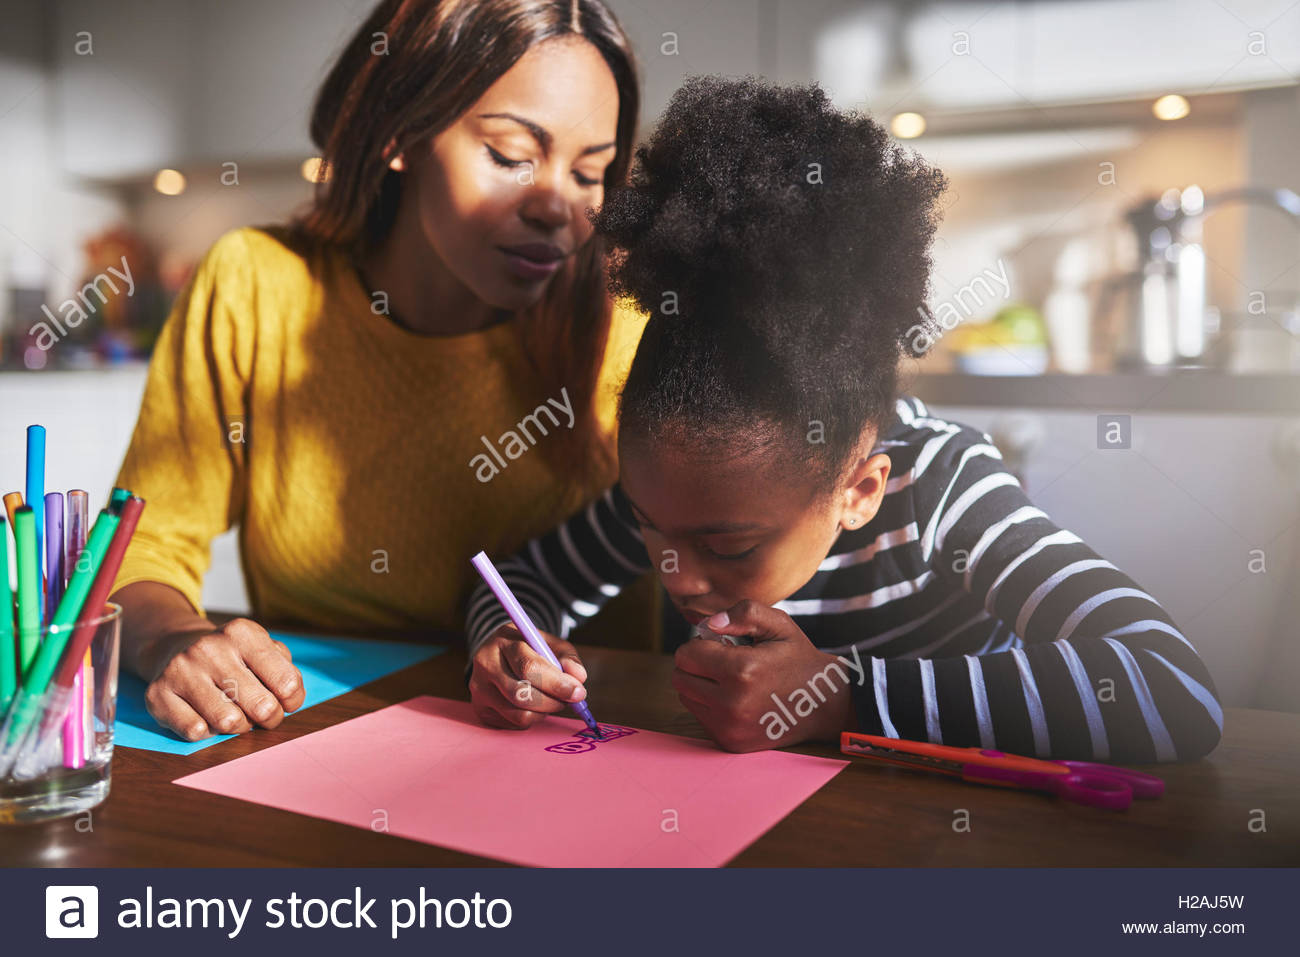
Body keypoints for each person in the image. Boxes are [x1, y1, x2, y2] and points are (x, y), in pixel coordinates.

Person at [463, 76, 1223, 762]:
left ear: (861, 486)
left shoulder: (942, 485)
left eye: (728, 544)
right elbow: (520, 578)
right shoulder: (681, 494)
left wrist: (838, 695)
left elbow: (1171, 686)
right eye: (648, 525)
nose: (676, 573)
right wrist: (507, 648)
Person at [109, 0, 648, 742]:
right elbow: (142, 541)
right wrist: (167, 637)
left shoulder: (627, 320)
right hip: (317, 735)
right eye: (511, 154)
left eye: (593, 172)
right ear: (403, 132)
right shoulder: (256, 286)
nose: (559, 206)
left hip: (585, 742)